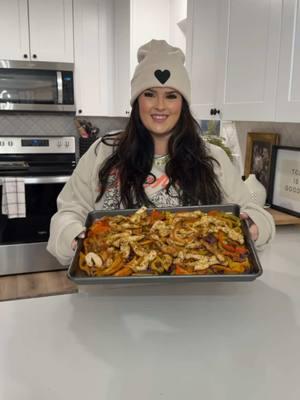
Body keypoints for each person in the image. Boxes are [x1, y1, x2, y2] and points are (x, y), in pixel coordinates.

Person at [47, 39, 275, 265]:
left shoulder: (212, 157)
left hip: (198, 294)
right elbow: (68, 211)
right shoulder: (103, 152)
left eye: (171, 96)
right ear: (137, 101)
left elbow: (253, 211)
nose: (160, 106)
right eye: (149, 94)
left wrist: (254, 226)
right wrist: (73, 235)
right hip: (113, 292)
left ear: (182, 104)